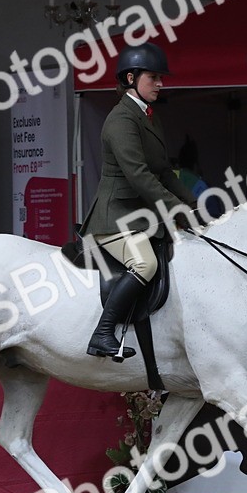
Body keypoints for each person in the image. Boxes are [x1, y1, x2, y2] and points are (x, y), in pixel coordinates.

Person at [79, 41, 196, 360]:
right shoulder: (121, 120)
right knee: (145, 263)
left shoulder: (149, 117)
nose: (160, 84)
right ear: (131, 78)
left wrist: (193, 204)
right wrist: (174, 208)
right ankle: (103, 333)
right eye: (153, 77)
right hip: (115, 217)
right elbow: (139, 175)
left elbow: (164, 171)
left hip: (141, 216)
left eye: (160, 78)